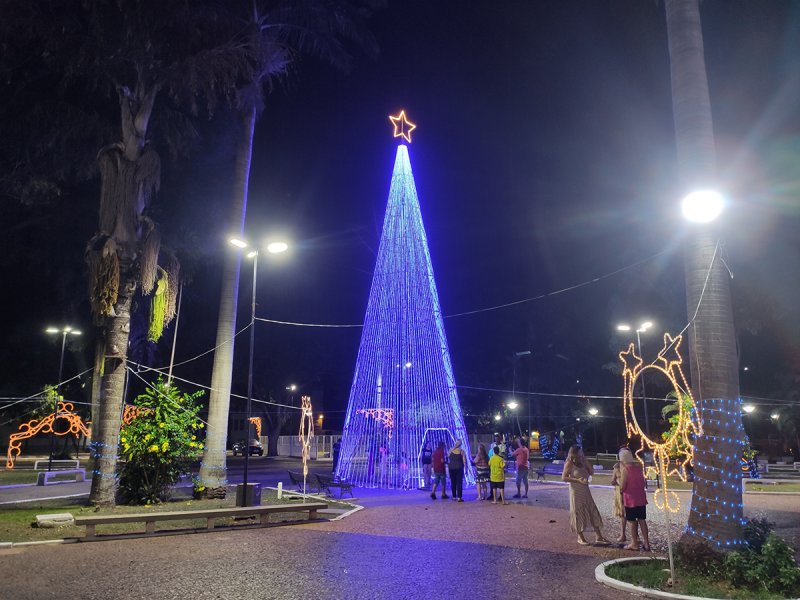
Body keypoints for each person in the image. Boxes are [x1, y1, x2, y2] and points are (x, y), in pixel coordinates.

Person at [561, 445, 609, 545]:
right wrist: (577, 480)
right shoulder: (569, 463)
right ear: (574, 453)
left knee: (592, 511)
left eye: (582, 452)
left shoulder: (583, 462)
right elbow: (564, 478)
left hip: (586, 491)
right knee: (578, 512)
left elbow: (592, 472)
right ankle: (580, 537)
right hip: (576, 491)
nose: (581, 454)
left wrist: (586, 462)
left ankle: (599, 536)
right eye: (579, 453)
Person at [618, 448, 651, 551]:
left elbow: (623, 486)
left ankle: (634, 543)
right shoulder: (639, 468)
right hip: (641, 498)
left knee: (632, 521)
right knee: (642, 520)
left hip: (630, 499)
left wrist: (619, 484)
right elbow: (643, 483)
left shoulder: (625, 470)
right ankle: (646, 542)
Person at [610, 461, 627, 544]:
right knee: (622, 514)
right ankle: (623, 534)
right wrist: (616, 483)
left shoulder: (630, 466)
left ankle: (636, 536)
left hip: (629, 492)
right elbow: (612, 480)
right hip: (620, 493)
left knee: (633, 514)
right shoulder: (617, 467)